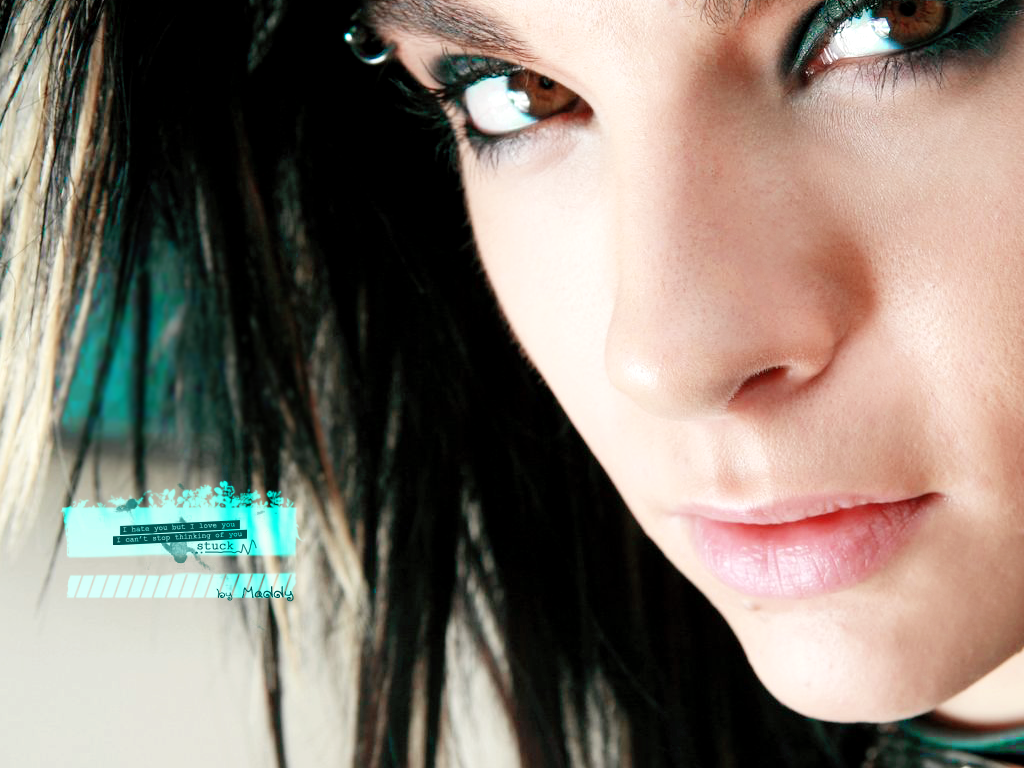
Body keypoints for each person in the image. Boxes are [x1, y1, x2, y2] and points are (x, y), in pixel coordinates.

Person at [3, 0, 1024, 766]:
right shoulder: (422, 505)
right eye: (515, 92)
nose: (667, 361)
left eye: (894, 19)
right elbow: (136, 542)